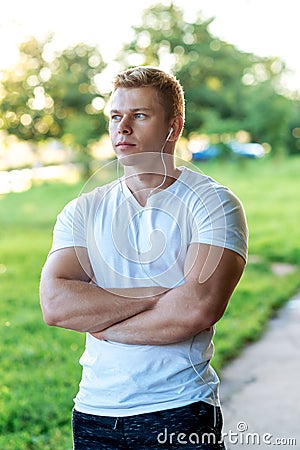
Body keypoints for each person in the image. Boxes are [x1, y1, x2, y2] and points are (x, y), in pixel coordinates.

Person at [40, 66, 248, 449]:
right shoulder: (83, 210)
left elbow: (195, 311)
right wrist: (156, 297)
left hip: (179, 409)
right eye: (116, 116)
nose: (122, 128)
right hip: (93, 412)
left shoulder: (213, 204)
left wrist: (102, 322)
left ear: (174, 126)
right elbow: (55, 305)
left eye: (139, 115)